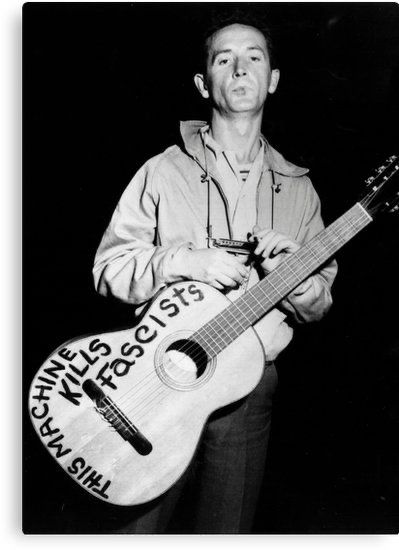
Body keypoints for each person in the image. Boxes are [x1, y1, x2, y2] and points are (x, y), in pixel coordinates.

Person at [93, 12, 337, 534]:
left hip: (250, 392)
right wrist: (179, 261)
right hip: (157, 375)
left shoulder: (301, 190)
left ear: (273, 79)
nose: (241, 68)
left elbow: (320, 304)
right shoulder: (163, 169)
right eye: (224, 59)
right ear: (206, 83)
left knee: (225, 532)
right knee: (137, 528)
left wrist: (292, 275)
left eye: (255, 57)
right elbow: (108, 268)